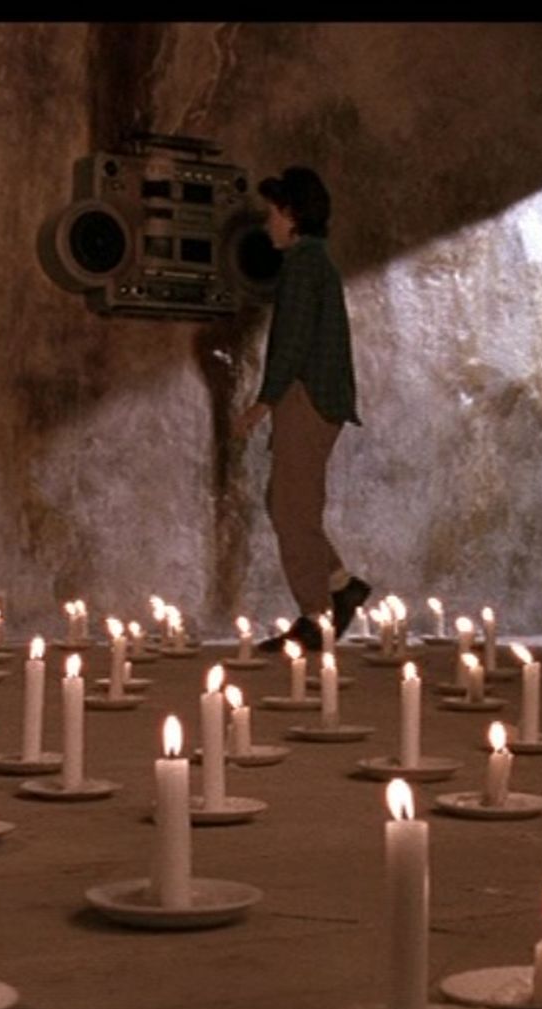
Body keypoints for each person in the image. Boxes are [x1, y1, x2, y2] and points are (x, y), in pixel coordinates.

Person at [231, 166, 370, 653]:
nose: (268, 222)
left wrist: (262, 404)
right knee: (285, 502)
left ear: (292, 216)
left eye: (273, 212)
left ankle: (317, 616)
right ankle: (339, 585)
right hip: (314, 395)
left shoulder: (303, 266)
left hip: (306, 396)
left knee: (293, 509)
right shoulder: (314, 263)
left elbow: (290, 341)